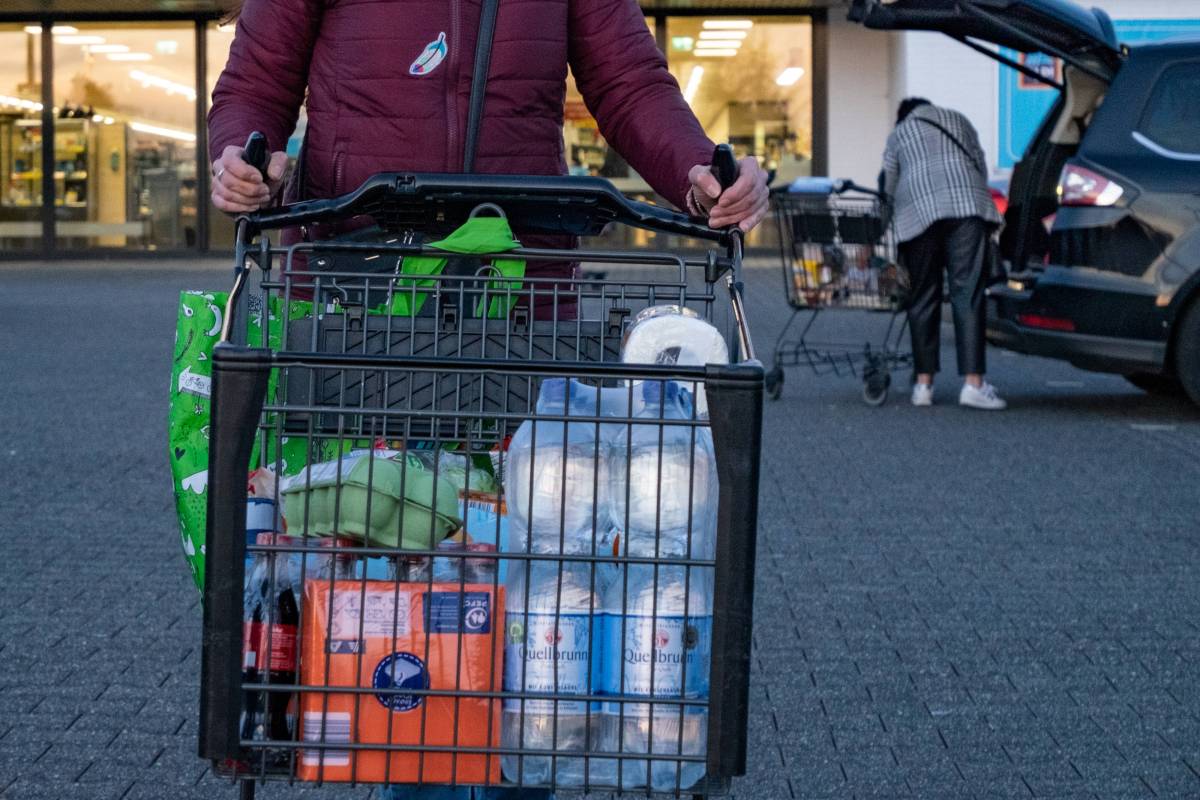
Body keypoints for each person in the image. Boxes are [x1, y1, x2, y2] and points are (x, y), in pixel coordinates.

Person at [208, 2, 767, 798]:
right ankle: (422, 760)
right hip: (370, 291)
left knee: (529, 556)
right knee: (403, 566)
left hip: (522, 292)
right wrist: (242, 160)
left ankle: (525, 754)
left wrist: (699, 175)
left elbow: (628, 80)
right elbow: (256, 82)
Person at [882, 98, 1006, 410]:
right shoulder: (958, 118)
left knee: (922, 295)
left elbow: (889, 183)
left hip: (918, 211)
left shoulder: (899, 133)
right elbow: (979, 164)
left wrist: (884, 227)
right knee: (968, 293)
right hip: (967, 206)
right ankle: (973, 385)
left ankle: (923, 386)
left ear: (903, 116)